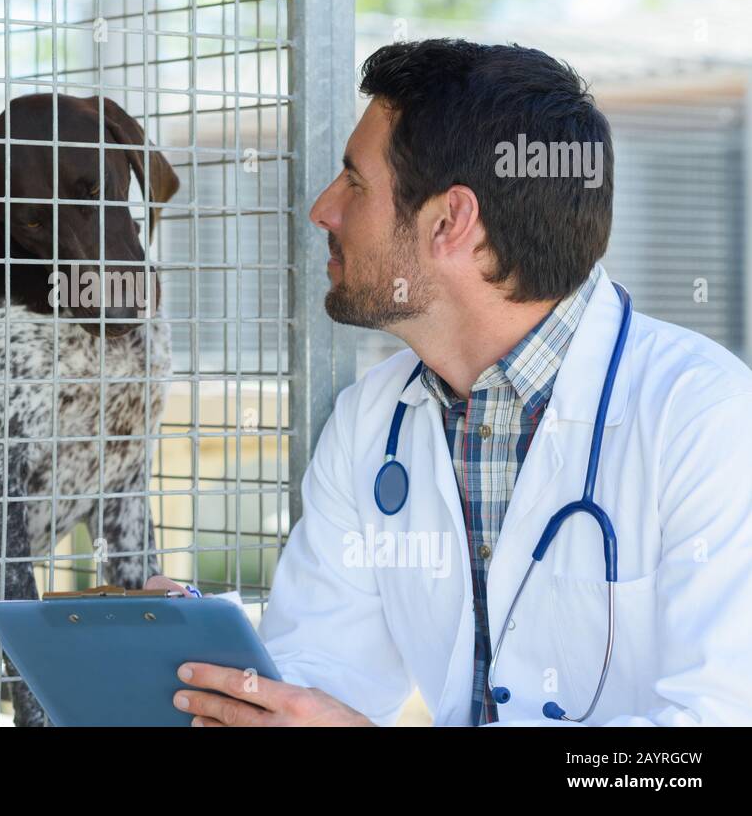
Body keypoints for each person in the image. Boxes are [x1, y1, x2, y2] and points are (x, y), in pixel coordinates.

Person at [147, 39, 752, 726]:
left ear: (449, 222)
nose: (322, 209)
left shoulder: (708, 419)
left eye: (355, 182)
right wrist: (230, 679)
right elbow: (325, 671)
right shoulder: (372, 420)